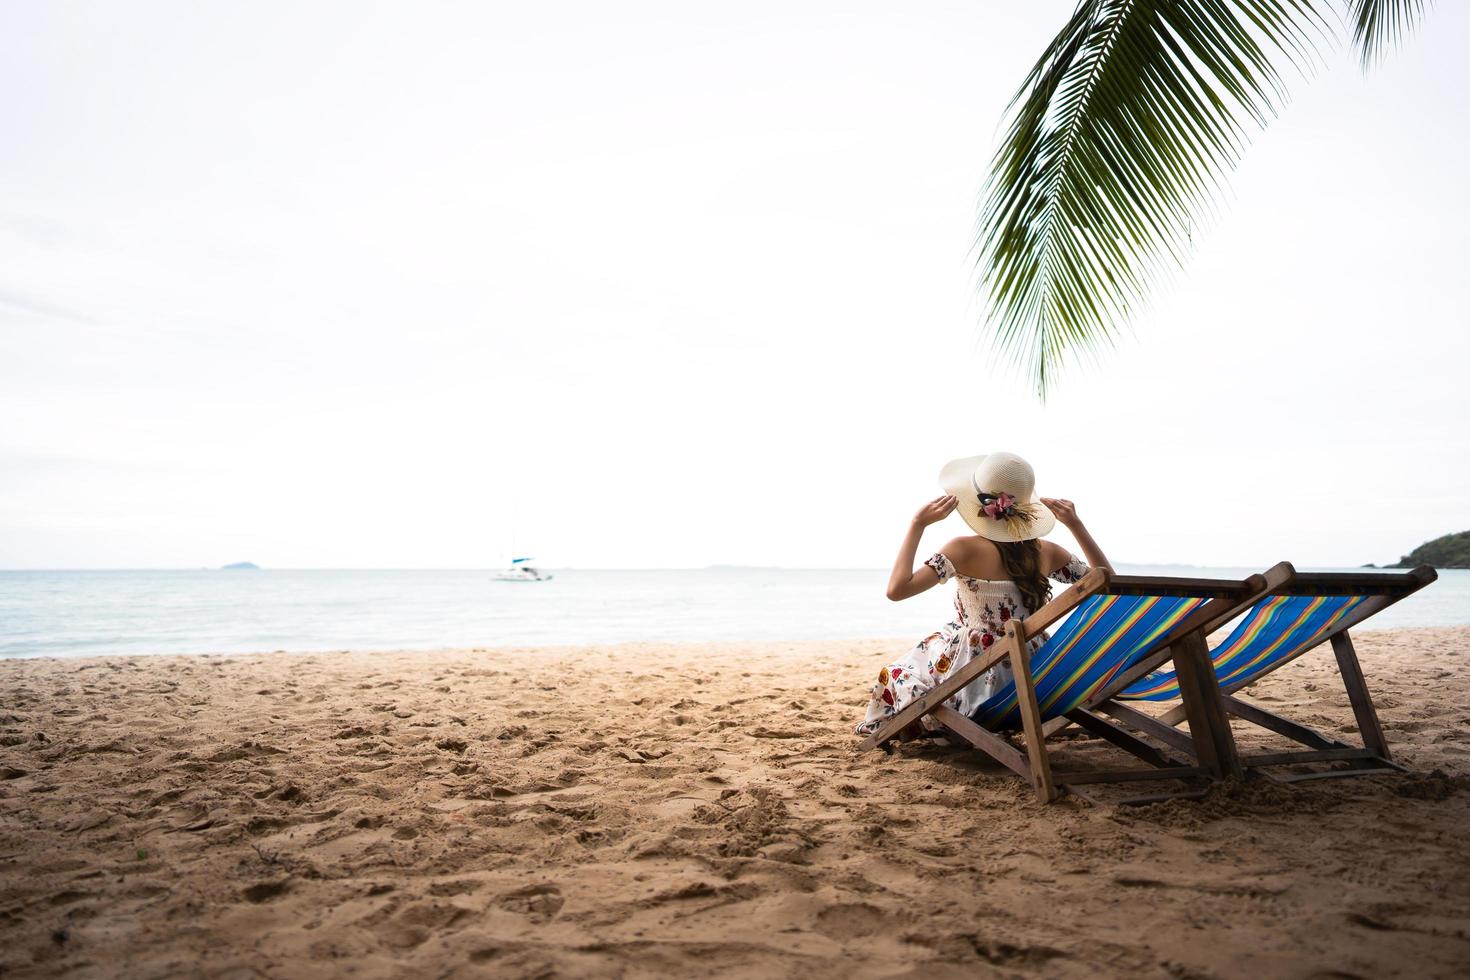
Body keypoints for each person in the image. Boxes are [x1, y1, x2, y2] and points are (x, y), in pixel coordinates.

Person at [855, 452, 1112, 738]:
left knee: (897, 674)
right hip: (1035, 676)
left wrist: (918, 524)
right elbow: (1107, 584)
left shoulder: (962, 549)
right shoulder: (1046, 552)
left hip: (976, 676)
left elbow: (897, 590)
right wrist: (1076, 526)